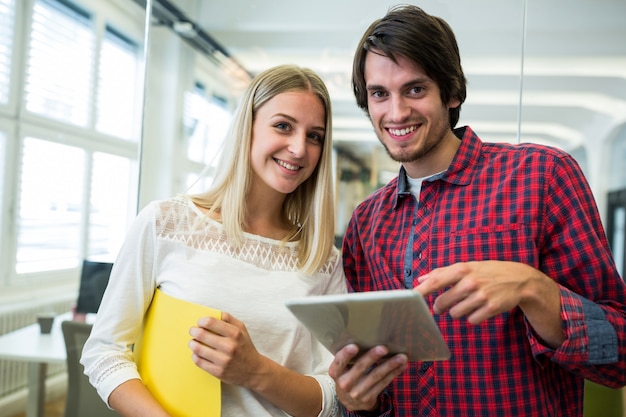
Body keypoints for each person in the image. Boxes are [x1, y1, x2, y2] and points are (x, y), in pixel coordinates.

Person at [328, 5, 626, 417]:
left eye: (415, 89)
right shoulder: (367, 222)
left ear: (452, 93)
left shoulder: (542, 176)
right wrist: (359, 403)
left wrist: (534, 289)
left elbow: (619, 354)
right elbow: (373, 374)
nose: (395, 113)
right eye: (380, 94)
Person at [81, 64, 346, 417]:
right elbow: (104, 352)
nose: (299, 148)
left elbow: (332, 397)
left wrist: (255, 371)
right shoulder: (166, 224)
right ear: (247, 128)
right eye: (283, 126)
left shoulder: (322, 261)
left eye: (314, 136)